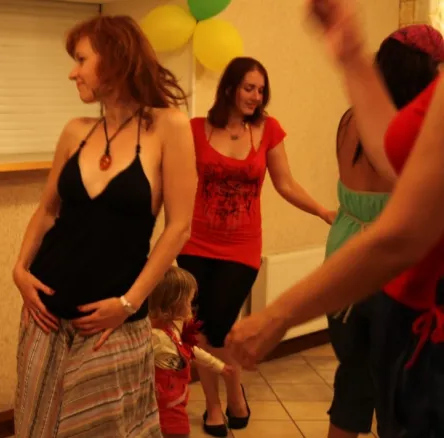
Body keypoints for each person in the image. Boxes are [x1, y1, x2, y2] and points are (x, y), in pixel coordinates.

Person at [226, 1, 444, 436]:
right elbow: (396, 158)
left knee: (357, 389)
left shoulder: (347, 124)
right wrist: (350, 52)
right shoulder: (417, 114)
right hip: (374, 276)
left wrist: (279, 315)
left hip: (371, 269)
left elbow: (402, 229)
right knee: (371, 392)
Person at [11, 14, 197, 438]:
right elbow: (47, 211)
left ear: (115, 58)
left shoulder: (168, 127)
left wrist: (129, 303)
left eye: (81, 59)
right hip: (45, 316)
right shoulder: (75, 131)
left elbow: (178, 229)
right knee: (37, 426)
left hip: (112, 323)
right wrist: (19, 270)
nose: (72, 72)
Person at [176, 56, 336, 437]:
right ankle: (215, 405)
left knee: (218, 325)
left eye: (261, 90)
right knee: (198, 328)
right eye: (249, 88)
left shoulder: (268, 130)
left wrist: (321, 210)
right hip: (196, 243)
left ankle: (234, 389)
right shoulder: (196, 129)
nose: (256, 96)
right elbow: (175, 181)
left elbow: (285, 184)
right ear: (230, 88)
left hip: (241, 248)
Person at [323, 24, 443, 438]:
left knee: (352, 384)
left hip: (342, 263)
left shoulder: (350, 120)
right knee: (399, 399)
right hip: (390, 271)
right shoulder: (411, 135)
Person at [149, 266, 231, 438]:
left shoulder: (172, 329)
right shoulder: (157, 338)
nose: (192, 306)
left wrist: (219, 366)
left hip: (176, 398)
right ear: (172, 304)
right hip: (165, 406)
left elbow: (190, 349)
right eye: (188, 301)